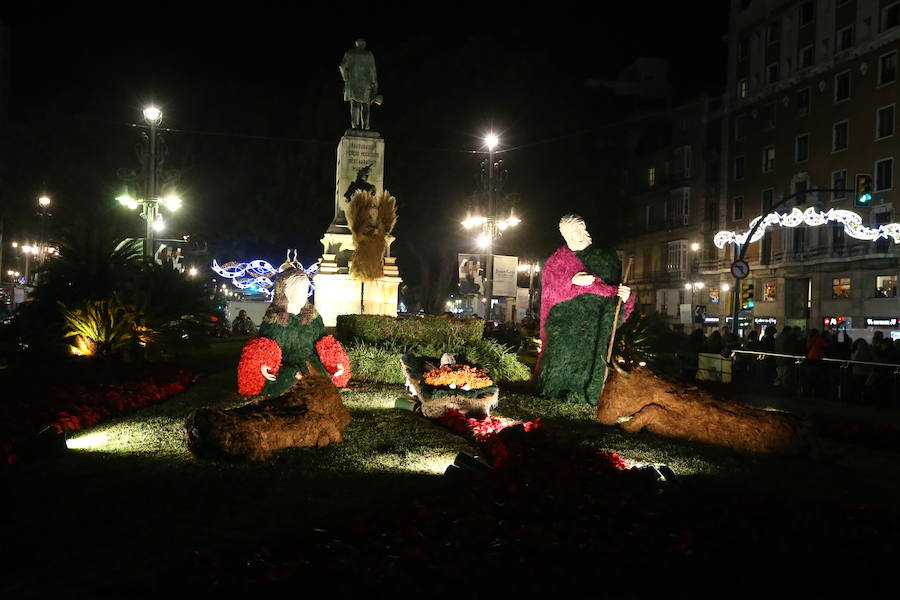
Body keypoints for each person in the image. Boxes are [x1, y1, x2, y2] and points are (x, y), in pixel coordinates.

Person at [536, 214, 634, 405]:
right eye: (570, 234)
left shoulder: (606, 259)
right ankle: (554, 394)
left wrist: (625, 296)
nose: (576, 236)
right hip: (563, 327)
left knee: (591, 361)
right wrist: (572, 281)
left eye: (578, 231)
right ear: (564, 236)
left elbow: (615, 292)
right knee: (560, 362)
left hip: (594, 325)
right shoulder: (557, 262)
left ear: (584, 230)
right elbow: (549, 291)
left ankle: (587, 397)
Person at [257, 269, 334, 397]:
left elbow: (323, 340)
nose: (304, 295)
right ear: (286, 291)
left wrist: (336, 360)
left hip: (311, 366)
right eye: (299, 291)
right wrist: (265, 362)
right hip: (285, 369)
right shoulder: (274, 320)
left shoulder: (313, 318)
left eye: (306, 290)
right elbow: (264, 344)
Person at [339, 38, 379, 130]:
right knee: (366, 106)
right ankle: (365, 127)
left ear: (356, 44)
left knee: (355, 105)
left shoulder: (349, 54)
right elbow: (372, 71)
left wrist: (345, 77)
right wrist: (375, 86)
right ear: (364, 45)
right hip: (366, 84)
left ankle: (355, 126)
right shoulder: (368, 54)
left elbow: (342, 66)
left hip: (353, 84)